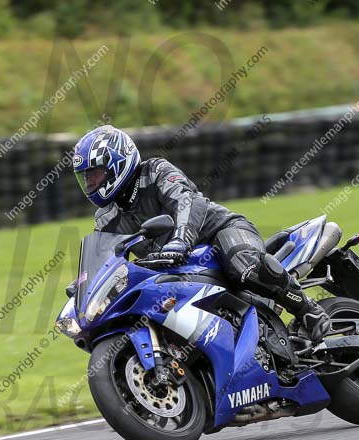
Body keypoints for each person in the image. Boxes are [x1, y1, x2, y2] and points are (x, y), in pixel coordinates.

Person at [72, 125, 330, 342]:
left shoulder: (156, 172)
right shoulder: (106, 217)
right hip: (177, 267)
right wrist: (86, 286)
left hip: (221, 233)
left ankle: (307, 308)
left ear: (118, 163)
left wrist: (180, 239)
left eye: (95, 174)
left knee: (244, 266)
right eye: (86, 178)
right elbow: (105, 256)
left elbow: (187, 201)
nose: (91, 184)